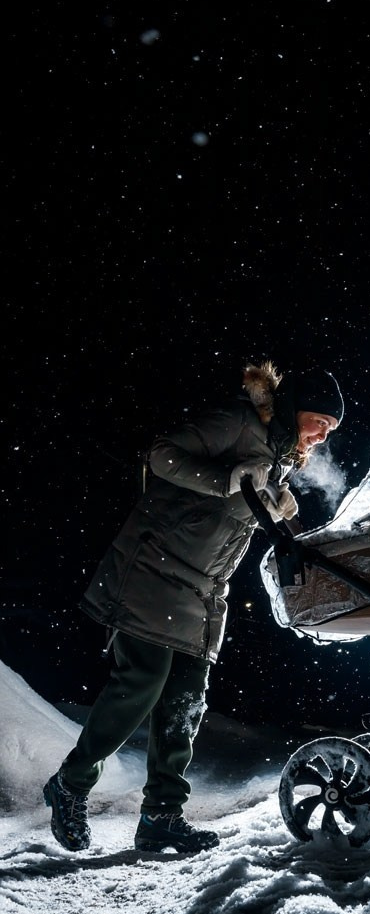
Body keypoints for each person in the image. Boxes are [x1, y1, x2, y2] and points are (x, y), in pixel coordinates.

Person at [43, 360, 344, 854]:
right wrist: (227, 479)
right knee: (140, 683)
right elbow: (162, 455)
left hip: (205, 591)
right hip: (154, 569)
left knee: (185, 701)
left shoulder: (278, 454)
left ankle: (162, 816)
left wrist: (273, 501)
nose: (322, 436)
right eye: (321, 422)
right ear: (297, 407)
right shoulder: (240, 421)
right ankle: (70, 785)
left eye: (330, 430)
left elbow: (231, 515)